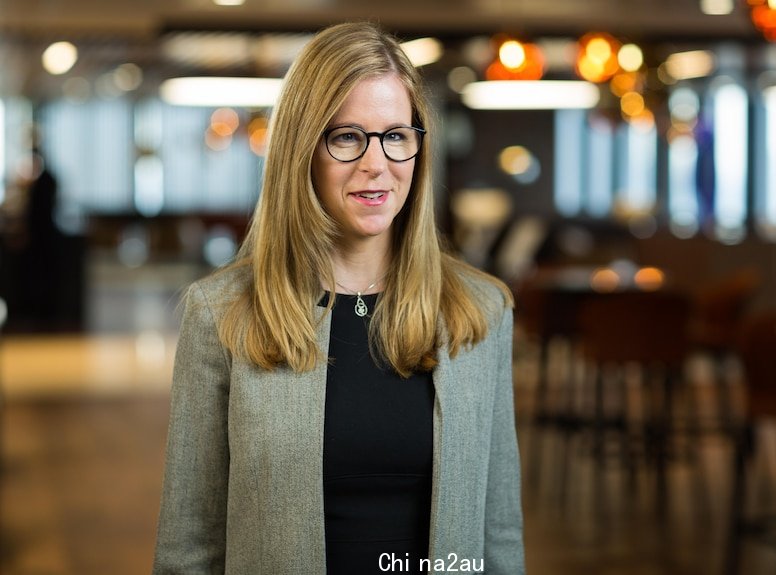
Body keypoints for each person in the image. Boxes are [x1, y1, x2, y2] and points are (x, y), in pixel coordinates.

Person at [153, 21, 525, 575]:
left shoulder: (480, 312)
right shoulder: (222, 315)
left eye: (396, 135)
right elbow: (189, 548)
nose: (376, 163)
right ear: (303, 151)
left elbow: (498, 537)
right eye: (347, 136)